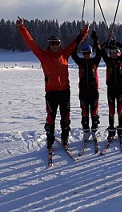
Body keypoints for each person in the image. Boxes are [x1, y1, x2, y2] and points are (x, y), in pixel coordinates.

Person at [16, 17, 88, 150]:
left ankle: (65, 139)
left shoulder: (65, 54)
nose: (54, 45)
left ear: (60, 44)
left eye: (56, 43)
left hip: (65, 91)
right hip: (51, 92)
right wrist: (22, 28)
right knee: (51, 118)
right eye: (52, 43)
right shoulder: (44, 56)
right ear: (49, 45)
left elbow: (75, 43)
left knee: (65, 118)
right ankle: (50, 141)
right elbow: (30, 42)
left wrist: (84, 32)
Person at [71, 31, 102, 152]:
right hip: (83, 92)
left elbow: (99, 53)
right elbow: (73, 54)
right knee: (84, 112)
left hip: (94, 91)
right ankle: (86, 132)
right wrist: (78, 41)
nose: (87, 55)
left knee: (94, 112)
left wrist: (96, 40)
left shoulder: (95, 61)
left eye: (88, 53)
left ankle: (94, 131)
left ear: (91, 53)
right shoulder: (80, 62)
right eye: (85, 53)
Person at [101, 39, 122, 147]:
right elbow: (101, 50)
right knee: (111, 110)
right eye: (111, 52)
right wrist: (105, 44)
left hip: (120, 89)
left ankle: (120, 129)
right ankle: (111, 130)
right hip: (110, 89)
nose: (113, 54)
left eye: (115, 52)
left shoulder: (121, 60)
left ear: (118, 53)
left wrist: (117, 43)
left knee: (120, 110)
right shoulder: (107, 60)